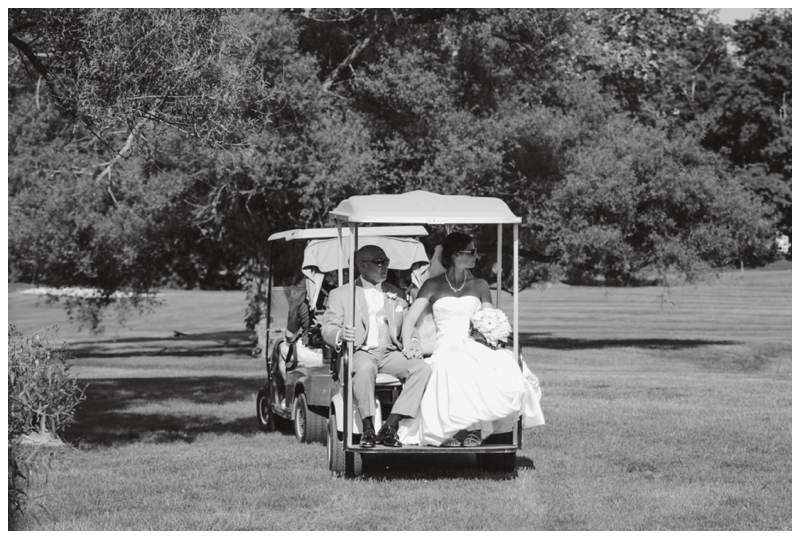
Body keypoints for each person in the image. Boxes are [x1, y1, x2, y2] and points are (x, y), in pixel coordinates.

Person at [399, 232, 544, 447]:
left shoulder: (480, 285)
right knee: (451, 363)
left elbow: (489, 318)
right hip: (446, 344)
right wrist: (410, 342)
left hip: (474, 342)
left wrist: (494, 332)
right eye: (472, 252)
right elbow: (410, 317)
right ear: (457, 255)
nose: (477, 256)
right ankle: (450, 431)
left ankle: (476, 429)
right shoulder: (432, 285)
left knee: (490, 365)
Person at [321, 245, 432, 448]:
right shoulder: (341, 294)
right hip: (360, 352)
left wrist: (414, 341)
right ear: (363, 266)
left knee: (422, 368)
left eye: (387, 262)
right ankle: (367, 428)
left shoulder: (396, 293)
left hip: (390, 354)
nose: (385, 267)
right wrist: (340, 334)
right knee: (365, 367)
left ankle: (390, 426)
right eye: (380, 263)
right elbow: (328, 327)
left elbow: (408, 325)